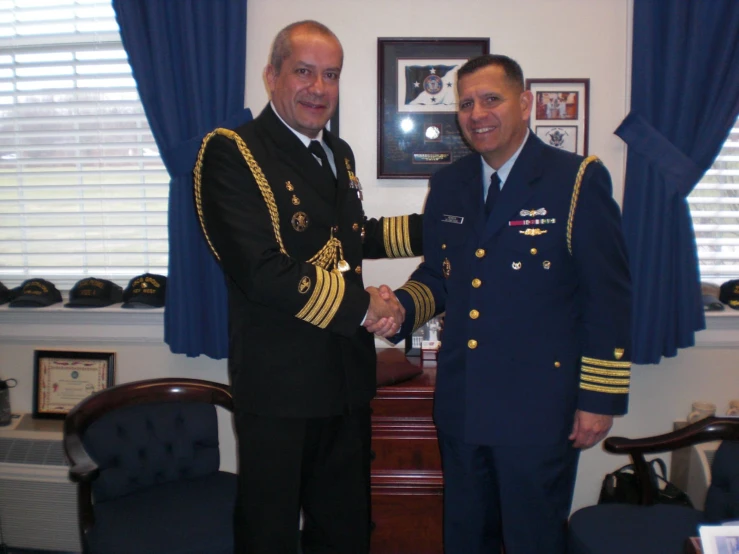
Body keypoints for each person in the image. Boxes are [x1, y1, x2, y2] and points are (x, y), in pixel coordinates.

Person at [388, 54, 632, 554]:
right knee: (466, 537)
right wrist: (397, 310)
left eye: (491, 99)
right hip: (463, 401)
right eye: (466, 103)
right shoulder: (450, 184)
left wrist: (598, 399)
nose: (477, 113)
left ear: (525, 104)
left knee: (532, 540)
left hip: (539, 409)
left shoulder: (576, 179)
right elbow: (439, 275)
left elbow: (608, 295)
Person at [194, 20, 421, 554]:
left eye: (331, 75)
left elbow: (350, 237)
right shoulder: (233, 151)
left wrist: (443, 225)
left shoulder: (336, 153)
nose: (319, 88)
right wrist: (367, 310)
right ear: (272, 76)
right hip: (279, 387)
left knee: (344, 531)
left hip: (345, 381)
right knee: (269, 534)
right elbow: (261, 270)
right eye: (304, 72)